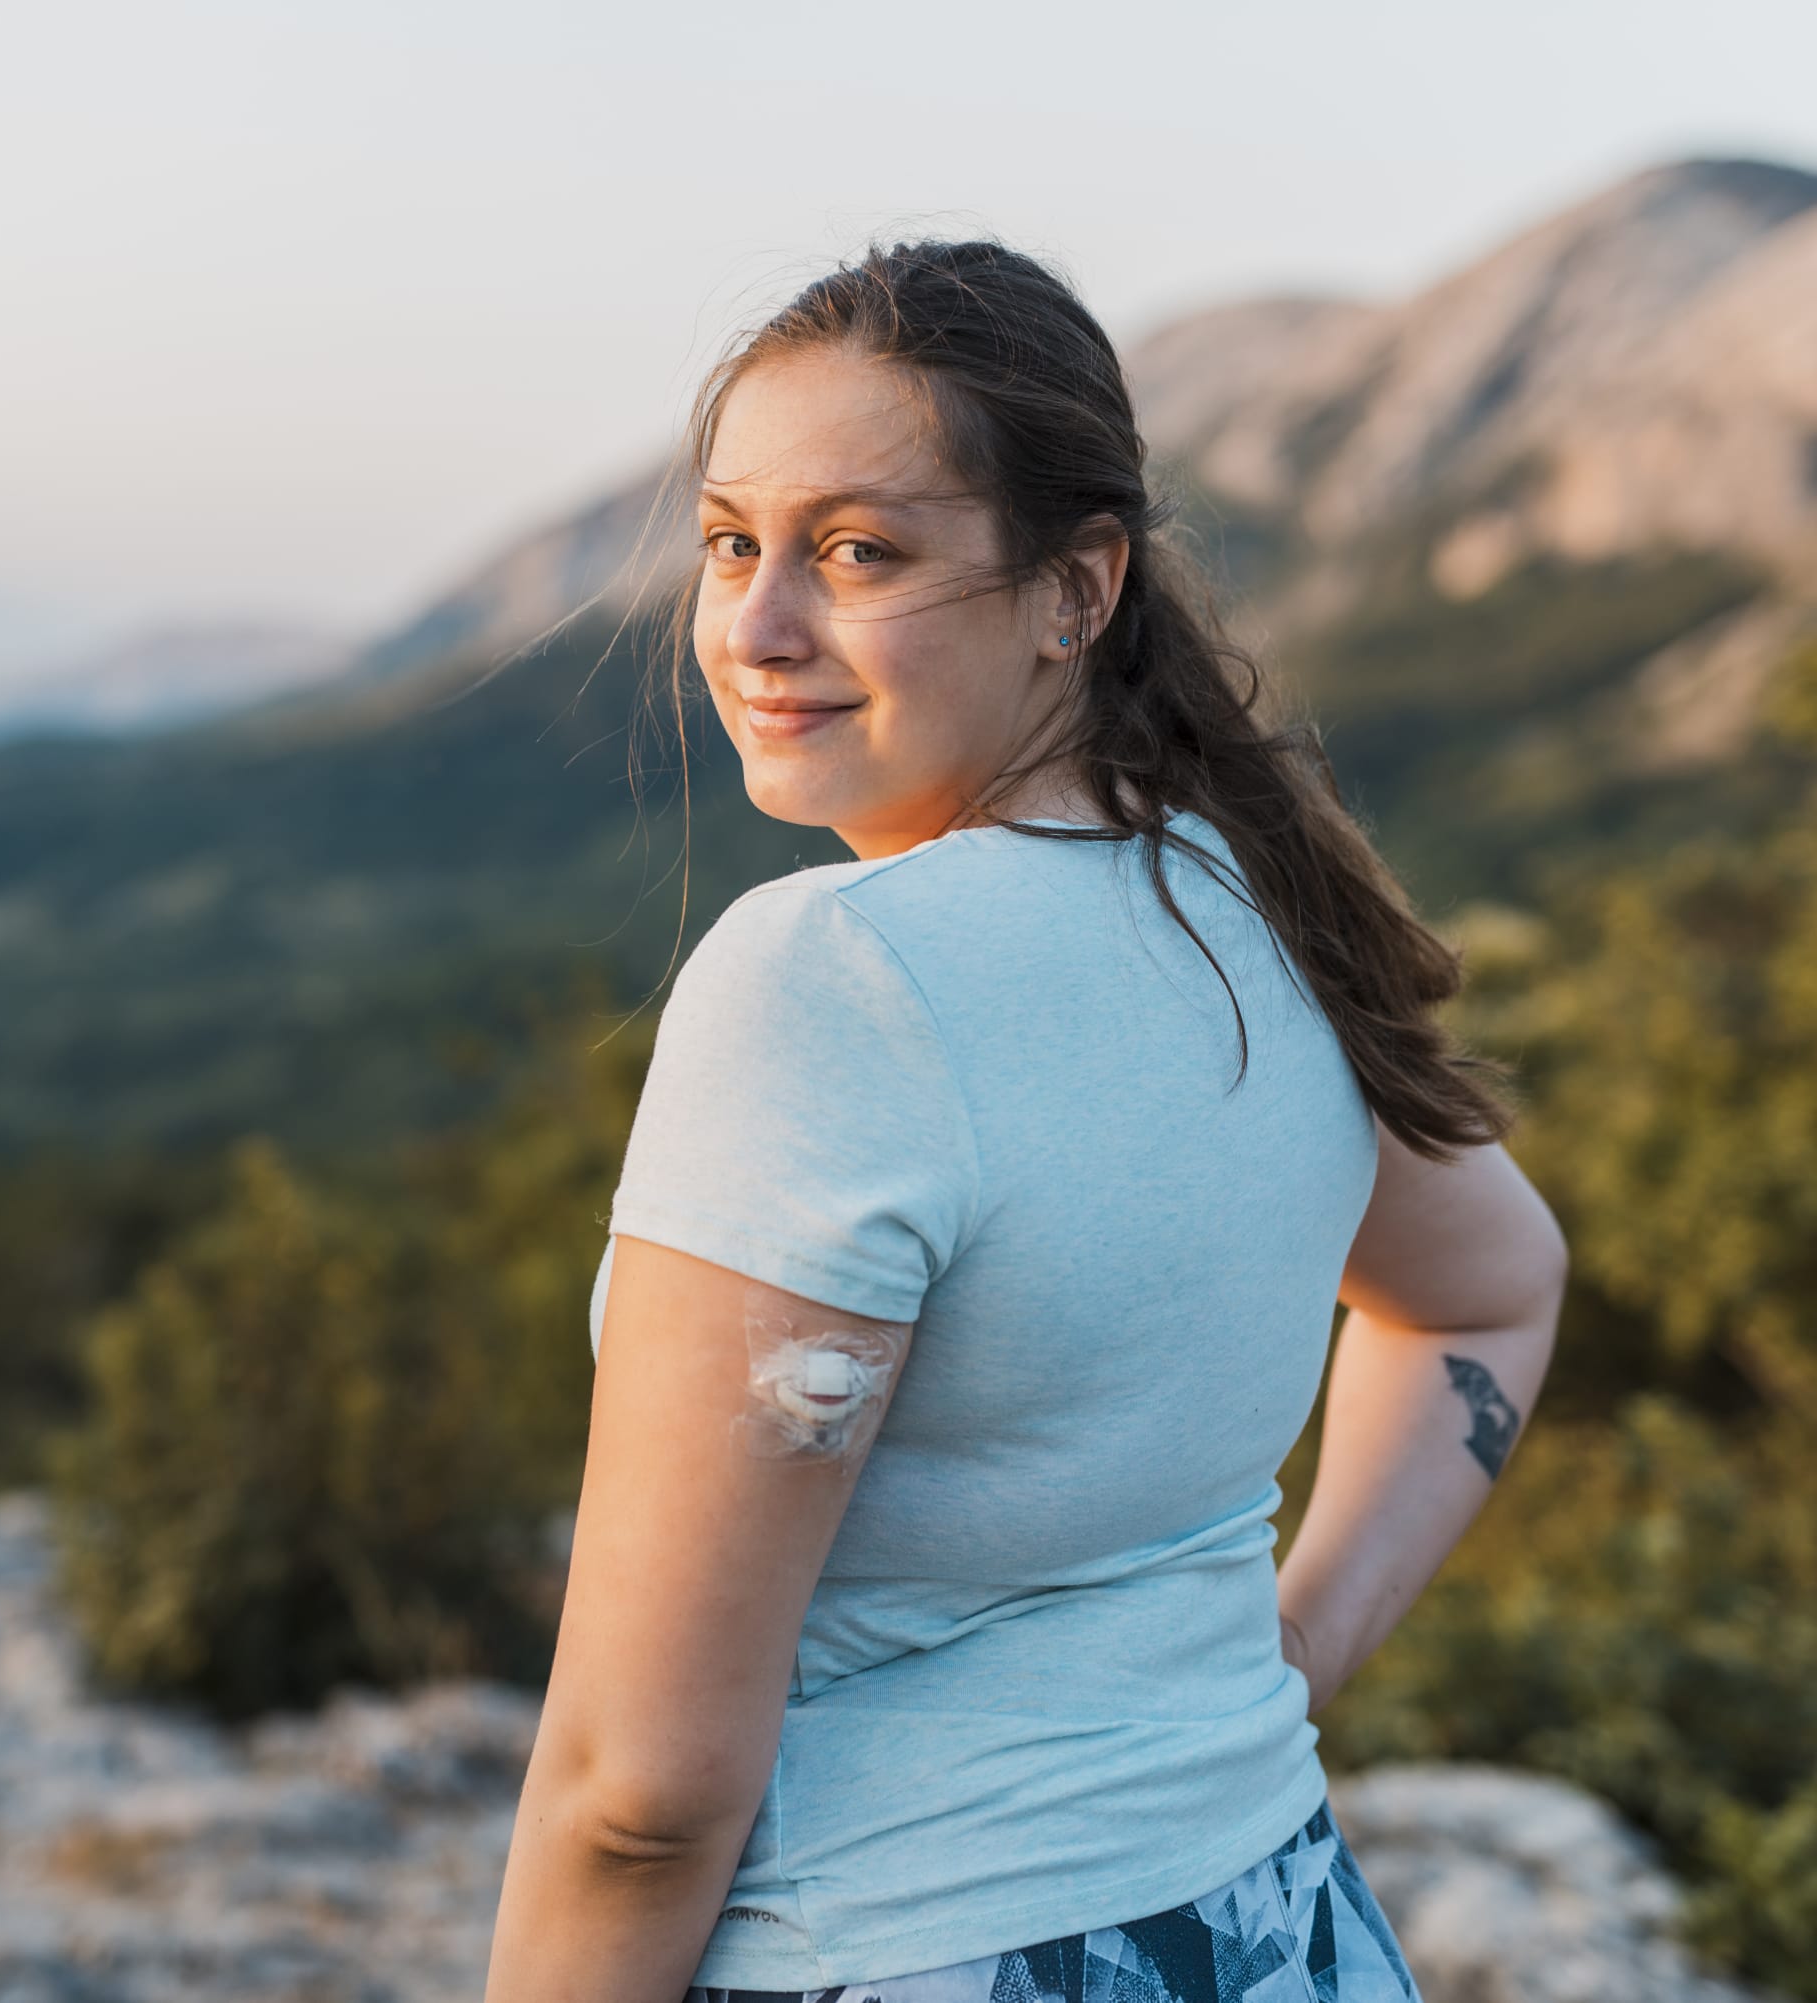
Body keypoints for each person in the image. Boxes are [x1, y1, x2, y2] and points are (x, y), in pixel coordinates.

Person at [482, 241, 1567, 2003]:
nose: (756, 626)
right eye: (733, 543)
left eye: (859, 552)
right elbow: (1494, 1291)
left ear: (1078, 591)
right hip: (1279, 1931)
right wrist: (1280, 1669)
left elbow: (641, 1795)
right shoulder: (1257, 898)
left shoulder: (827, 978)